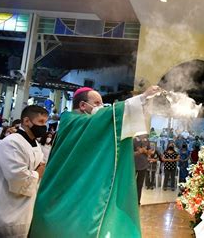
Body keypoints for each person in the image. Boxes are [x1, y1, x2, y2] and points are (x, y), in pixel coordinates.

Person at [30, 86, 161, 238]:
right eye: (97, 102)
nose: (101, 106)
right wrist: (142, 97)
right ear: (82, 105)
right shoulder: (72, 120)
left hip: (78, 183)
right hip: (62, 185)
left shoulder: (82, 122)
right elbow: (109, 117)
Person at [0, 105, 48, 237]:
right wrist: (39, 172)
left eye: (45, 122)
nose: (44, 126)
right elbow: (18, 178)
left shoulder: (35, 144)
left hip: (22, 210)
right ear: (27, 121)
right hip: (2, 213)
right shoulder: (11, 143)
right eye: (40, 122)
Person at [134, 136, 150, 205]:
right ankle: (129, 201)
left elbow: (149, 153)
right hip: (133, 166)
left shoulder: (146, 140)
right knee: (131, 184)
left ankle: (137, 202)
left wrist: (144, 151)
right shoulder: (133, 140)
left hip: (143, 166)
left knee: (139, 185)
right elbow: (128, 153)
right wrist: (138, 152)